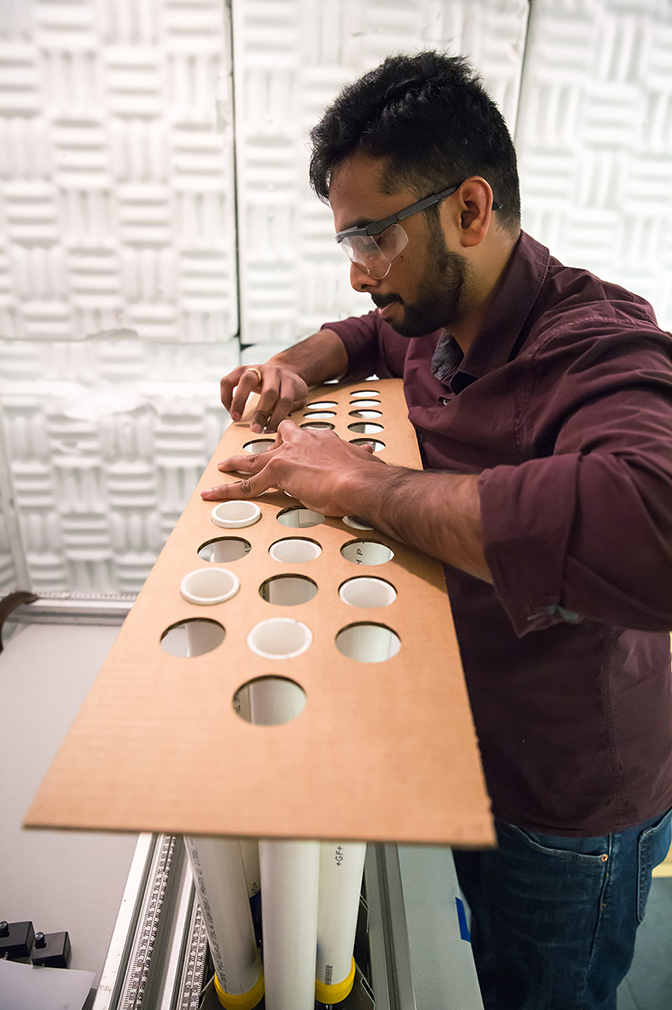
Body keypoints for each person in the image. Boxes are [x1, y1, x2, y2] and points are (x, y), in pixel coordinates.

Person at [203, 51, 672, 1010]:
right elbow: (373, 335)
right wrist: (299, 361)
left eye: (373, 237)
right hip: (475, 740)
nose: (359, 269)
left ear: (467, 208)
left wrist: (364, 484)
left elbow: (652, 521)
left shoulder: (596, 341)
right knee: (495, 962)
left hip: (566, 798)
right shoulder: (435, 304)